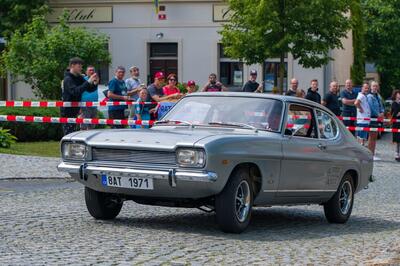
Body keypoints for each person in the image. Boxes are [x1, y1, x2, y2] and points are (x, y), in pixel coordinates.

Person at [61, 57, 98, 136]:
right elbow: (75, 92)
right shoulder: (68, 79)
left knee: (75, 135)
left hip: (76, 110)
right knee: (69, 135)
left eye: (81, 66)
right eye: (79, 66)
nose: (81, 68)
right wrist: (88, 81)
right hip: (67, 111)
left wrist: (95, 83)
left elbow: (89, 89)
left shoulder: (79, 77)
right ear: (72, 66)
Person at [367, 81, 385, 159]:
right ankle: (369, 154)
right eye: (373, 86)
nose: (375, 87)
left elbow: (381, 105)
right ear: (371, 87)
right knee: (371, 137)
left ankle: (373, 154)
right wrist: (378, 114)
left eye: (376, 86)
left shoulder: (378, 96)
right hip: (372, 117)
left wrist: (382, 112)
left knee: (375, 136)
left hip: (377, 118)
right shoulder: (369, 96)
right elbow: (371, 107)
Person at [80, 65, 99, 130]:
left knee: (92, 126)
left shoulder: (96, 79)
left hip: (94, 105)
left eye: (93, 70)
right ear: (86, 72)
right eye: (90, 70)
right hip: (85, 105)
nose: (91, 71)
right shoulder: (82, 79)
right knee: (84, 125)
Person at [391, 90, 400, 161]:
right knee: (397, 140)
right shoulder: (394, 103)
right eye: (398, 94)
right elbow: (394, 114)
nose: (399, 95)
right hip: (396, 123)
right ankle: (397, 153)